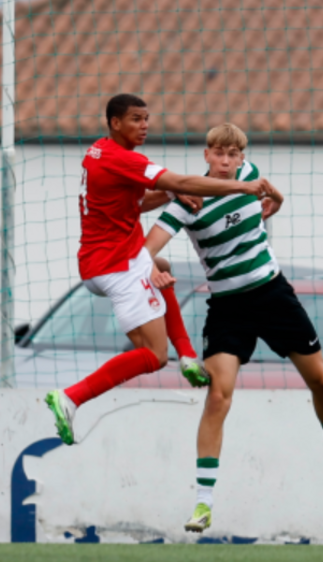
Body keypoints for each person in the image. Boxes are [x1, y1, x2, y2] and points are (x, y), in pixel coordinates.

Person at [143, 123, 323, 534]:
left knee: (321, 381)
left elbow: (269, 192)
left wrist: (277, 200)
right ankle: (203, 503)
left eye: (233, 154)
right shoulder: (187, 200)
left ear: (242, 158)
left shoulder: (250, 176)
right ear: (206, 155)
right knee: (218, 396)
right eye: (219, 153)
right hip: (228, 307)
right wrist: (152, 270)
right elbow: (146, 250)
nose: (227, 162)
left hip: (274, 295)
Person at [44, 95, 276, 446]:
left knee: (162, 267)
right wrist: (243, 186)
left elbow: (135, 203)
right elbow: (180, 182)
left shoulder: (99, 151)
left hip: (99, 261)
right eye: (136, 119)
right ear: (115, 123)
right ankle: (71, 397)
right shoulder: (125, 158)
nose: (145, 126)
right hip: (117, 265)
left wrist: (169, 195)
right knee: (154, 356)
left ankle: (187, 356)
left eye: (146, 118)